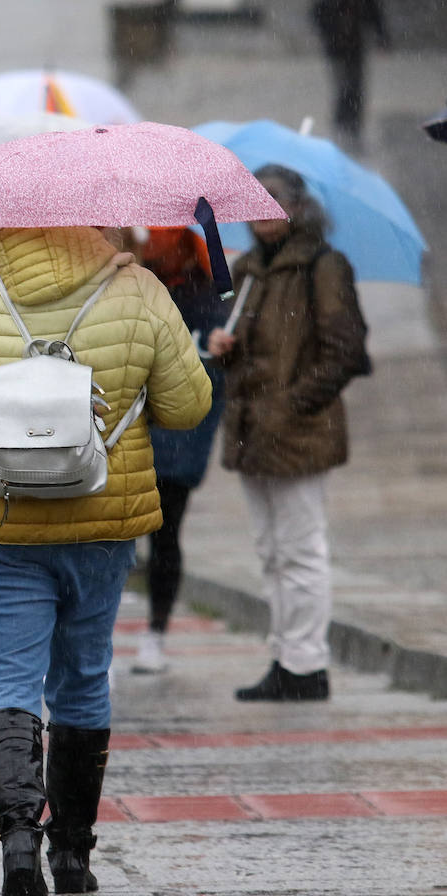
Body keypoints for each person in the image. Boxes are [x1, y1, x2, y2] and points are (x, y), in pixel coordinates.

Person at [0, 225, 211, 896]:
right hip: (103, 522)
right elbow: (188, 406)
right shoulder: (140, 289)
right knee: (83, 680)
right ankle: (71, 856)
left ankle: (17, 845)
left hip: (2, 522)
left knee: (8, 678)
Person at [207, 164, 370, 703]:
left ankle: (307, 664)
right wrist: (223, 349)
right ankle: (284, 657)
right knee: (270, 551)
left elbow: (346, 352)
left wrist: (290, 405)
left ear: (298, 207)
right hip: (252, 433)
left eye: (273, 201)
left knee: (301, 549)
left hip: (298, 433)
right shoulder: (248, 270)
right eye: (253, 202)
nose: (262, 213)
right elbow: (249, 352)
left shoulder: (322, 265)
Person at [132, 227, 228, 674]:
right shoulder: (129, 283)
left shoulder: (206, 290)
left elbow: (211, 360)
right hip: (131, 430)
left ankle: (155, 631)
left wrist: (217, 345)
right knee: (114, 538)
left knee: (164, 534)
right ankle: (106, 640)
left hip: (177, 433)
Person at [311, 0, 389, 152]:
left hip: (354, 46)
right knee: (344, 85)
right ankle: (342, 125)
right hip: (337, 48)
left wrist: (382, 36)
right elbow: (318, 15)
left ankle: (351, 126)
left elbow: (374, 14)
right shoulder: (329, 5)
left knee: (355, 86)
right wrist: (330, 31)